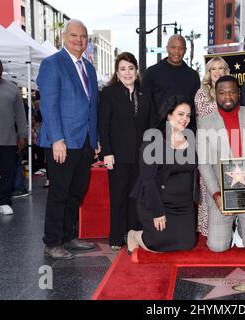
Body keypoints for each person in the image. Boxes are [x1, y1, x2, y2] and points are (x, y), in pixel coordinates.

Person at [37, 20, 99, 260]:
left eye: (83, 36)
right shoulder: (52, 64)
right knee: (59, 193)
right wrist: (57, 139)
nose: (78, 40)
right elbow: (49, 105)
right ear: (64, 37)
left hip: (84, 142)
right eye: (73, 35)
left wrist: (96, 138)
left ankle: (69, 236)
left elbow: (93, 105)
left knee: (77, 192)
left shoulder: (89, 67)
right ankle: (52, 242)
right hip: (62, 142)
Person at [197, 75, 245, 252]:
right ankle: (229, 225)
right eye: (222, 92)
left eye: (232, 92)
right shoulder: (205, 122)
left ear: (238, 93)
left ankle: (241, 228)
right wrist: (216, 194)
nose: (227, 97)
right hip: (222, 193)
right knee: (217, 247)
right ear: (215, 94)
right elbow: (204, 163)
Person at [127, 95, 198, 253]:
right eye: (180, 114)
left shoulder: (192, 138)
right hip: (157, 202)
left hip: (184, 205)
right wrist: (158, 212)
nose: (185, 119)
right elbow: (148, 179)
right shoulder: (153, 139)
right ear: (169, 115)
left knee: (187, 244)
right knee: (157, 243)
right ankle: (135, 235)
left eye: (188, 115)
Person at [99, 52, 150, 251]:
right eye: (123, 69)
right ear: (117, 72)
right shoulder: (109, 93)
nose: (127, 73)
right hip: (117, 155)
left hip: (141, 155)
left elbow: (150, 123)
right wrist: (107, 152)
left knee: (136, 196)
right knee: (119, 196)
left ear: (136, 71)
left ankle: (133, 233)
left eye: (130, 68)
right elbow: (103, 125)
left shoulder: (144, 93)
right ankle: (116, 237)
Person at [194, 56, 230, 237]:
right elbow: (206, 121)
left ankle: (228, 226)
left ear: (225, 71)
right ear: (208, 73)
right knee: (210, 187)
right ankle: (208, 228)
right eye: (213, 69)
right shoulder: (202, 93)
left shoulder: (231, 90)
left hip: (229, 146)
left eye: (220, 68)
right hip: (208, 146)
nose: (216, 72)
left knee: (228, 184)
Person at [142, 34, 200, 125]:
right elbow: (145, 105)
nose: (177, 51)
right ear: (167, 48)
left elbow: (195, 107)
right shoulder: (152, 72)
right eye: (173, 47)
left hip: (185, 131)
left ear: (185, 50)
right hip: (157, 130)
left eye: (181, 48)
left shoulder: (193, 76)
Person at [0, 58, 28, 215]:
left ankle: (4, 201)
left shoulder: (12, 89)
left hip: (8, 139)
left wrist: (22, 135)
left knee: (8, 172)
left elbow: (20, 115)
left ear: (2, 69)